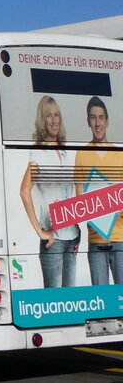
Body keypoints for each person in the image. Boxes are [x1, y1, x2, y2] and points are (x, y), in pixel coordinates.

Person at [20, 96, 79, 287]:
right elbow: (24, 191)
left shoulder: (63, 153)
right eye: (48, 116)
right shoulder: (39, 153)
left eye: (56, 115)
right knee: (54, 305)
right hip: (53, 242)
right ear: (42, 121)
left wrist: (78, 230)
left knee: (70, 304)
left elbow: (69, 195)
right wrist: (40, 231)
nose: (54, 120)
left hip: (71, 238)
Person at [74, 96, 123, 285]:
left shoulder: (119, 155)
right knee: (101, 305)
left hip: (120, 239)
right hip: (96, 241)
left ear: (107, 121)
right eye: (93, 117)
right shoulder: (82, 154)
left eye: (101, 117)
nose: (97, 122)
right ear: (88, 121)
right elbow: (79, 200)